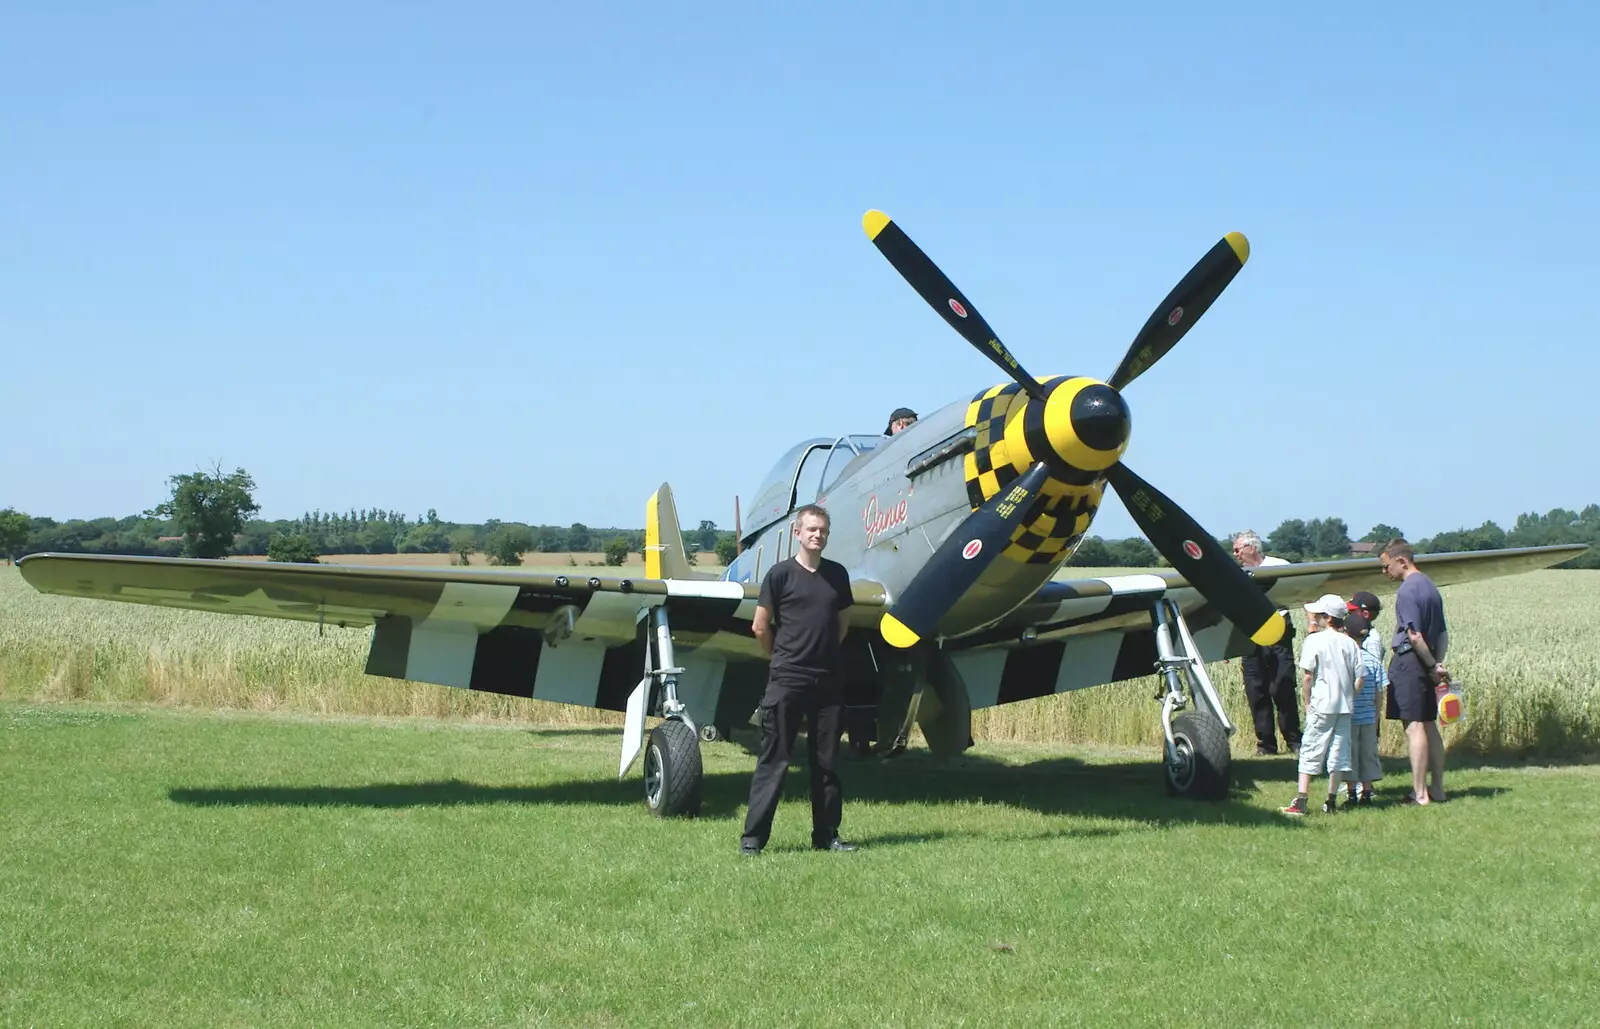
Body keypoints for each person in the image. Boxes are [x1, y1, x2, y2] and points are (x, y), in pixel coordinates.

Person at [740, 504, 858, 855]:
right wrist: (779, 659)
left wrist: (823, 654)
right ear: (797, 532)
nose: (817, 535)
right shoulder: (779, 575)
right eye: (811, 530)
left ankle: (826, 836)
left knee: (827, 764)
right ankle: (753, 840)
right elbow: (760, 625)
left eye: (822, 530)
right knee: (774, 760)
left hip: (828, 682)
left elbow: (844, 622)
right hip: (787, 680)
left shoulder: (838, 575)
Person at [1380, 538, 1450, 805]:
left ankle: (1419, 792)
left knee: (1414, 726)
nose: (1385, 573)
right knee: (1430, 724)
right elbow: (1442, 633)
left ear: (1401, 561)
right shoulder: (1431, 587)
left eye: (1387, 567)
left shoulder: (1408, 590)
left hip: (1410, 662)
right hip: (1428, 661)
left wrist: (1431, 665)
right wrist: (1437, 664)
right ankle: (1438, 788)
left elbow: (1414, 634)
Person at [1281, 594, 1364, 816]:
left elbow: (1308, 676)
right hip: (1344, 707)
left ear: (1327, 617)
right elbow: (1359, 678)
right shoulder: (1350, 643)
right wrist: (1350, 694)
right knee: (1339, 753)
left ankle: (1302, 800)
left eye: (1318, 614)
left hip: (1322, 704)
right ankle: (1331, 800)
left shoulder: (1314, 640)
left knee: (1310, 749)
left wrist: (1307, 703)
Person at [1231, 530, 1302, 755]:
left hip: (1279, 633)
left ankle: (1294, 741)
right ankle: (1266, 745)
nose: (1235, 554)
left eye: (1238, 549)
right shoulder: (1236, 573)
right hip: (1250, 635)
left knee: (1283, 686)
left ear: (1252, 548)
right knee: (1256, 690)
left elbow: (1302, 592)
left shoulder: (1279, 565)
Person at [1341, 610, 1385, 806]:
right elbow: (1380, 691)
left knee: (1350, 756)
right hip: (1368, 718)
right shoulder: (1373, 660)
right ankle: (1366, 792)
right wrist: (1376, 717)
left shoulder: (1345, 660)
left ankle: (1351, 793)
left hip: (1348, 717)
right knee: (1368, 755)